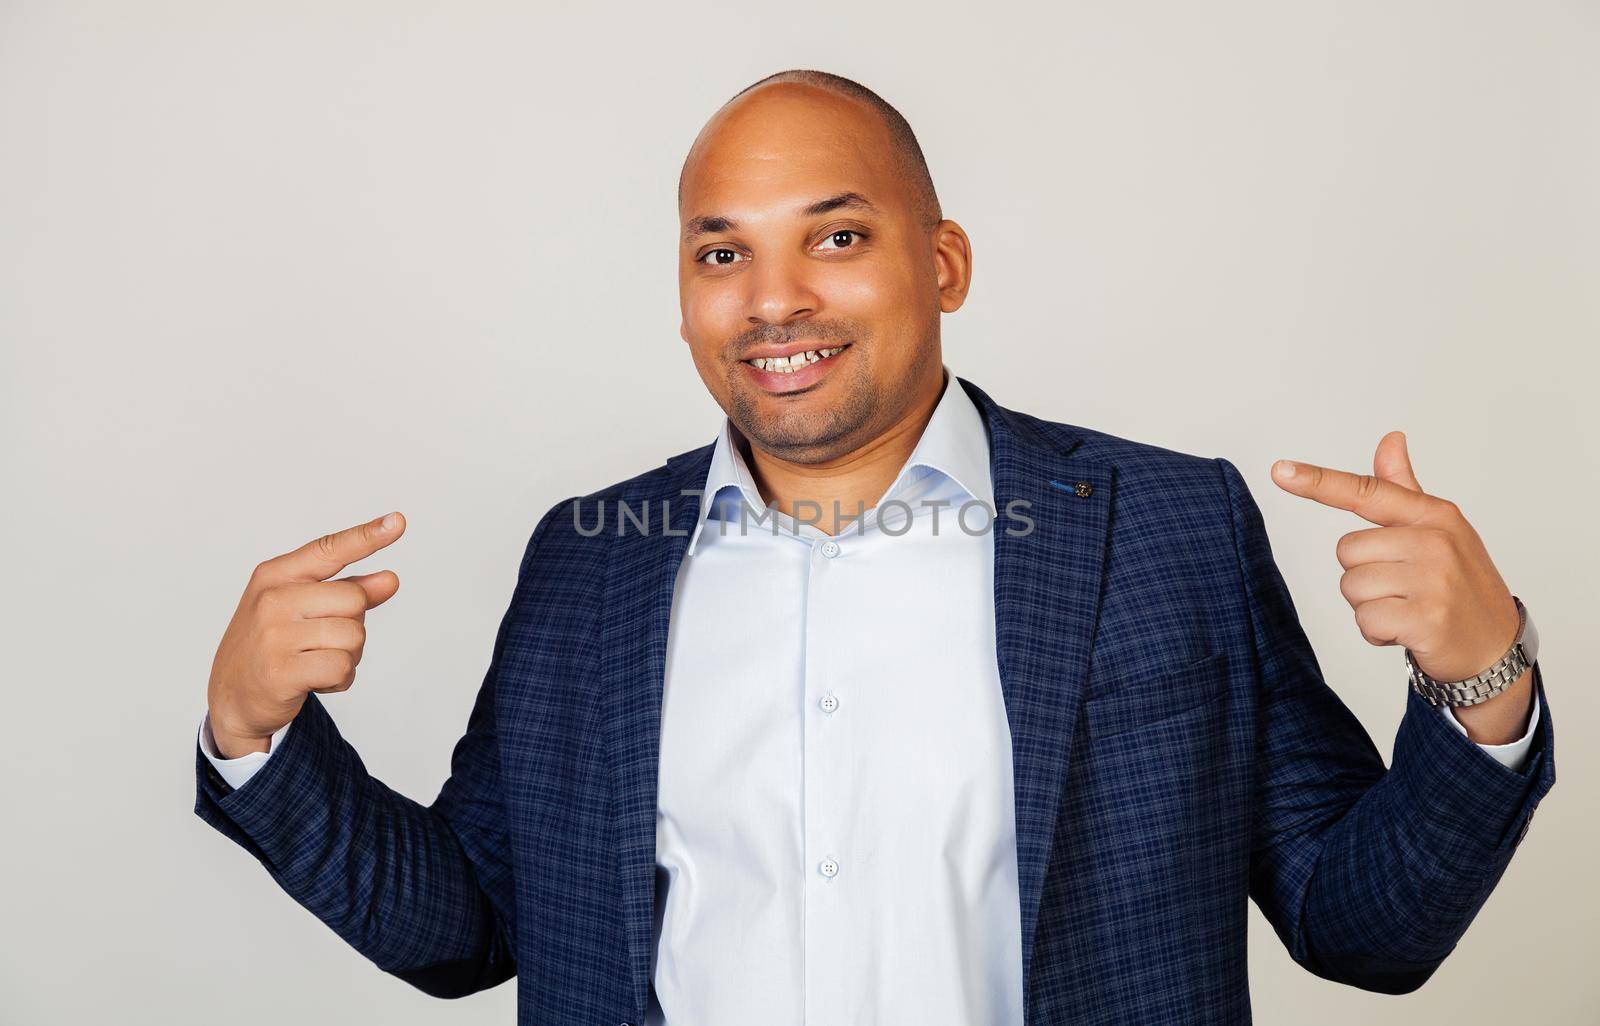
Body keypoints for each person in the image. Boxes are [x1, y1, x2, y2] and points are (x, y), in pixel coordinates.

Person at [194, 69, 1555, 1026]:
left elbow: (1361, 925)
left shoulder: (1168, 530)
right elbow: (475, 924)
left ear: (943, 261)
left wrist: (1481, 680)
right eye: (720, 254)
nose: (775, 298)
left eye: (835, 237)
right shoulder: (587, 563)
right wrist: (258, 733)